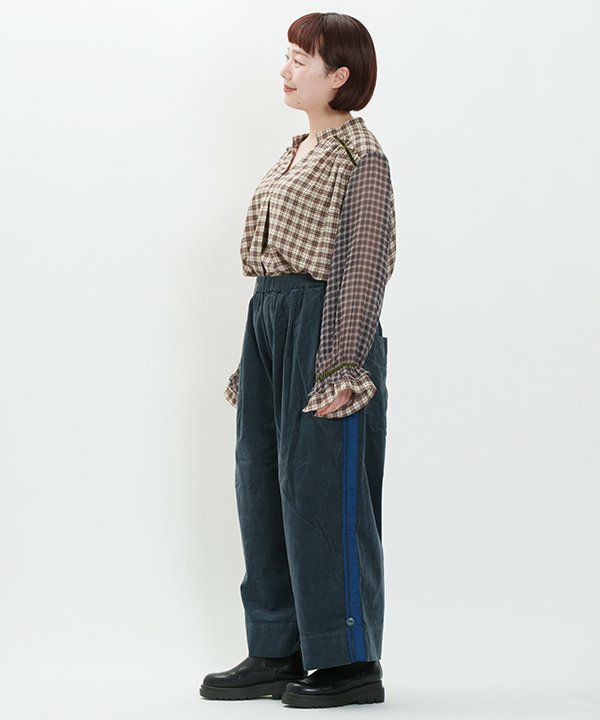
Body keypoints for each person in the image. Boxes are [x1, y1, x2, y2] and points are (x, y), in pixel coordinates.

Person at [200, 11, 396, 709]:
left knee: (323, 491)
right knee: (260, 483)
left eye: (299, 59)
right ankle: (276, 647)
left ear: (339, 76)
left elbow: (363, 262)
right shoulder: (295, 152)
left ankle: (348, 661)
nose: (285, 70)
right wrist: (258, 357)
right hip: (272, 321)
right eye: (286, 56)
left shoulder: (360, 156)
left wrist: (342, 362)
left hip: (325, 321)